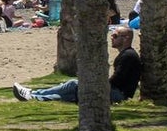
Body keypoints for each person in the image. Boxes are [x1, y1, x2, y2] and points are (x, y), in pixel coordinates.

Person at [13, 26, 141, 103]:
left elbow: (117, 80)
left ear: (126, 38)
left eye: (115, 35)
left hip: (118, 95)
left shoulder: (128, 56)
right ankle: (34, 95)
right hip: (116, 92)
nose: (112, 37)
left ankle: (33, 95)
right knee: (70, 93)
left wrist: (97, 84)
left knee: (73, 84)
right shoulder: (126, 54)